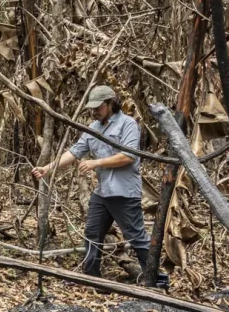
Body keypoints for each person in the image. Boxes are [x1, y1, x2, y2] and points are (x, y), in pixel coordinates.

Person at [31, 85, 151, 278]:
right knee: (92, 234)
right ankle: (92, 278)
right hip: (102, 193)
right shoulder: (93, 128)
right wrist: (48, 168)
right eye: (92, 108)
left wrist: (97, 163)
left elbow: (129, 156)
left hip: (124, 193)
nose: (94, 112)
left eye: (98, 108)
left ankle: (155, 280)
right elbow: (74, 152)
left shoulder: (127, 124)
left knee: (137, 238)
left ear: (111, 104)